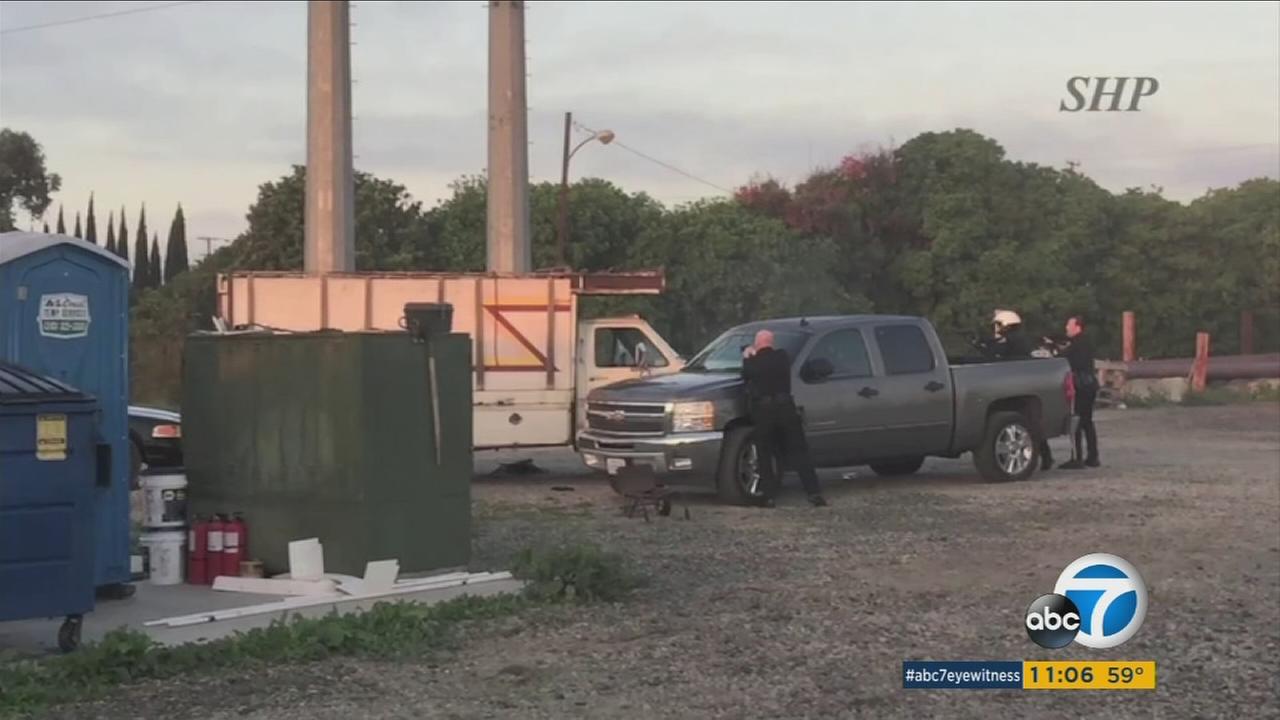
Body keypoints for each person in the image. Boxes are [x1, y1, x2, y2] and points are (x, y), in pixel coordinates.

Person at [741, 329, 827, 508]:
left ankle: (769, 496)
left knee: (764, 453)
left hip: (764, 411)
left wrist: (747, 356)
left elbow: (747, 375)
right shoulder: (782, 357)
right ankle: (814, 492)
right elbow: (773, 359)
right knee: (799, 450)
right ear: (772, 342)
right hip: (786, 408)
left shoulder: (752, 362)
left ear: (757, 344)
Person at [1044, 315, 1100, 469]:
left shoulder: (1077, 344)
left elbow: (1066, 361)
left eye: (1069, 325)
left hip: (1080, 386)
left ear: (1077, 327)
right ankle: (1093, 456)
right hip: (1090, 385)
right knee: (1087, 422)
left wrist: (1053, 349)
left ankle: (1077, 457)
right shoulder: (1085, 342)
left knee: (1075, 421)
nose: (1066, 328)